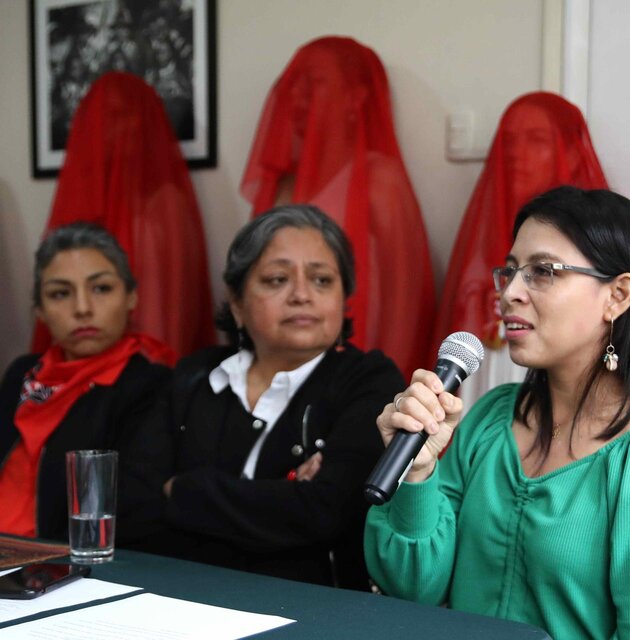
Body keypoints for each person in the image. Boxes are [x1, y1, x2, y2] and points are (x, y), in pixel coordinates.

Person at [365, 187, 630, 639]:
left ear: (617, 296)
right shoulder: (491, 418)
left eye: (543, 271)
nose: (509, 294)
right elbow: (414, 590)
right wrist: (417, 474)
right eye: (511, 271)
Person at [163, 205, 405, 589]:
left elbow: (327, 511)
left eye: (322, 280)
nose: (302, 295)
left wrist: (183, 489)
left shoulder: (370, 380)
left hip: (316, 613)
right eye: (277, 279)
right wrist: (284, 494)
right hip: (180, 601)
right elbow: (135, 505)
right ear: (238, 302)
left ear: (343, 301)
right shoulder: (196, 377)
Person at [241, 36, 434, 379]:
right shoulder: (281, 186)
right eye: (293, 87)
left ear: (355, 97)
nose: (298, 101)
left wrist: (387, 382)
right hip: (280, 366)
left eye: (314, 86)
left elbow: (405, 301)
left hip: (361, 365)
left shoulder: (381, 182)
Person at [0, 223, 173, 547]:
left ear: (131, 296)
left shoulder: (149, 386)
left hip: (58, 568)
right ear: (40, 309)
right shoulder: (20, 375)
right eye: (60, 293)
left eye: (101, 288)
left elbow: (131, 513)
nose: (82, 308)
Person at [434, 92, 609, 410]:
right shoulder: (481, 227)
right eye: (510, 141)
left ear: (569, 152)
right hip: (493, 371)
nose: (517, 154)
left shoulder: (598, 234)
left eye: (535, 140)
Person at [35, 72, 216, 359]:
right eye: (104, 118)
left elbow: (168, 315)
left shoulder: (166, 204)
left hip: (140, 370)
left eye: (126, 116)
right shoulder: (80, 195)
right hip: (77, 363)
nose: (115, 129)